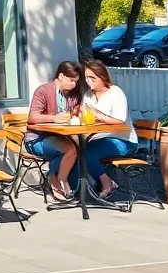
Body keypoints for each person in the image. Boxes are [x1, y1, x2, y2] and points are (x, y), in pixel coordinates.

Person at [25, 61, 86, 200]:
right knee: (71, 150)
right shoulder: (43, 91)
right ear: (61, 76)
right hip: (37, 139)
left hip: (60, 137)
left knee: (77, 147)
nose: (74, 84)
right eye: (71, 80)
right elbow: (32, 117)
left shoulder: (72, 94)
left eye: (76, 81)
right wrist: (54, 118)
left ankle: (54, 177)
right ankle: (59, 180)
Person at [82, 60, 139, 200]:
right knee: (76, 150)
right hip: (101, 138)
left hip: (124, 140)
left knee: (86, 153)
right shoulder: (88, 95)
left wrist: (98, 116)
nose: (89, 81)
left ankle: (107, 183)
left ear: (102, 77)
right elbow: (85, 117)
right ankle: (80, 191)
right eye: (86, 77)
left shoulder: (115, 93)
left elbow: (120, 120)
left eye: (92, 78)